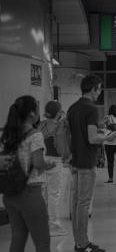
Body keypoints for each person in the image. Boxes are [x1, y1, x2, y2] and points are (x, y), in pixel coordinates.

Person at [0, 95, 79, 252]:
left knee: (17, 241)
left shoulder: (6, 134)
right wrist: (49, 165)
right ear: (33, 113)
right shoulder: (34, 135)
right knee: (42, 243)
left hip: (10, 195)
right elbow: (37, 162)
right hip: (30, 193)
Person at [66, 75, 116, 252]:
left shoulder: (73, 108)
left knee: (75, 203)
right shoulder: (91, 108)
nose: (100, 92)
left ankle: (78, 241)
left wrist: (99, 125)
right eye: (99, 89)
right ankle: (83, 243)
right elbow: (92, 138)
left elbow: (74, 134)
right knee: (83, 203)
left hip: (74, 161)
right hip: (86, 162)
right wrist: (107, 137)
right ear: (94, 88)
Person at [38, 101, 69, 237]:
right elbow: (61, 148)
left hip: (41, 159)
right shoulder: (59, 126)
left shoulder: (41, 125)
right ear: (58, 113)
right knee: (53, 194)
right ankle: (53, 225)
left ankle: (42, 223)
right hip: (54, 161)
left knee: (43, 193)